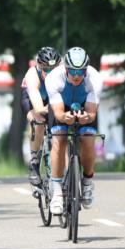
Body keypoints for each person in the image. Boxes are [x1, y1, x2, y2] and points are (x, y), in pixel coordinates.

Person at [45, 47, 102, 214]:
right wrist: (64, 117)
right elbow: (58, 113)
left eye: (81, 71)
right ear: (65, 68)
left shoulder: (95, 78)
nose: (76, 76)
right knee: (59, 138)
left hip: (85, 106)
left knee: (88, 140)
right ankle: (57, 192)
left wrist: (87, 117)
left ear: (86, 70)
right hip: (61, 106)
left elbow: (91, 113)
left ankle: (87, 182)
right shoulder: (54, 78)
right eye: (72, 71)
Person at [21, 46, 61, 186]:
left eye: (54, 69)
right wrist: (42, 110)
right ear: (39, 66)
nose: (50, 73)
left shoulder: (63, 72)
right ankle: (34, 161)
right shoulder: (32, 75)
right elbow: (38, 107)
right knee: (38, 121)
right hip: (33, 98)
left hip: (52, 98)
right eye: (46, 70)